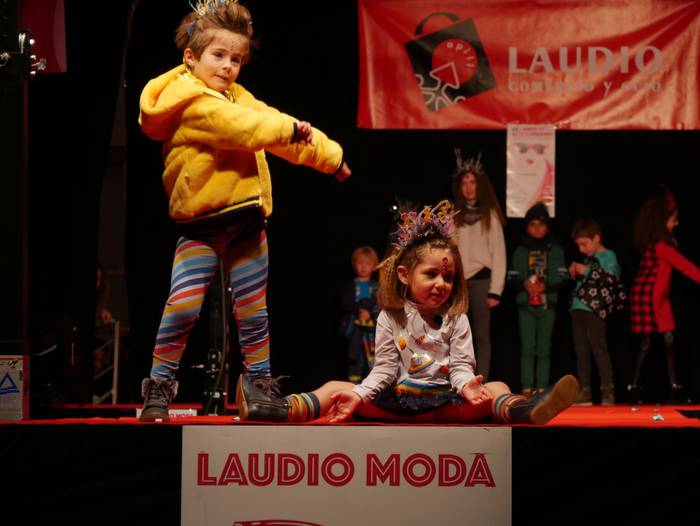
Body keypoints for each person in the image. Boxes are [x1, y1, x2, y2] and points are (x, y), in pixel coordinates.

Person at [137, 0, 351, 421]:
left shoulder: (239, 97)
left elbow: (272, 125)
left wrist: (330, 157)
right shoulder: (190, 101)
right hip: (201, 226)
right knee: (182, 309)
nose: (228, 66)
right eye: (218, 55)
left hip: (246, 222)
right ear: (191, 57)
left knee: (254, 314)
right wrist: (288, 129)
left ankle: (259, 387)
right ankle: (159, 388)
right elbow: (243, 128)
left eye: (235, 59)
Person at [236, 201, 579, 425]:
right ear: (404, 275)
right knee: (337, 388)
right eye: (431, 274)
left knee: (496, 387)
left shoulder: (457, 317)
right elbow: (384, 369)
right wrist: (358, 397)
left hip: (446, 406)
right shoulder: (391, 316)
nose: (442, 283)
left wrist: (469, 389)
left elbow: (461, 367)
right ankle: (275, 410)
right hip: (397, 405)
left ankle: (524, 409)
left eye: (448, 277)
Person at [628, 189, 700, 403]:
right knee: (655, 341)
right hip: (652, 299)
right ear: (662, 221)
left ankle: (657, 386)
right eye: (673, 219)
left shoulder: (653, 245)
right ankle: (645, 386)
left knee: (660, 341)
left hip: (653, 297)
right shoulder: (661, 247)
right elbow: (685, 267)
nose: (676, 224)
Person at [451, 151, 506, 380]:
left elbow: (499, 253)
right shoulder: (453, 216)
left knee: (482, 335)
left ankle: (481, 380)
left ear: (479, 185)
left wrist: (496, 290)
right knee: (458, 334)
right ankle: (460, 379)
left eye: (472, 182)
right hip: (459, 282)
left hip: (483, 281)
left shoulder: (489, 215)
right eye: (464, 183)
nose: (468, 187)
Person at [510, 203, 566, 397]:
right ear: (527, 227)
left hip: (548, 304)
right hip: (525, 305)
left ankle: (542, 388)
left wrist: (545, 286)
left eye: (541, 224)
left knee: (544, 348)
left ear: (547, 227)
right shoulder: (520, 250)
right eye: (532, 225)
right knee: (527, 347)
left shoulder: (555, 250)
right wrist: (525, 283)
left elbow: (563, 277)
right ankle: (527, 388)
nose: (537, 229)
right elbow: (512, 277)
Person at [569, 218, 623, 405]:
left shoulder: (609, 256)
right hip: (578, 308)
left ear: (596, 238)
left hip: (594, 310)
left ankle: (607, 390)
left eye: (584, 244)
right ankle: (584, 391)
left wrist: (586, 271)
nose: (581, 249)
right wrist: (574, 272)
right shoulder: (588, 259)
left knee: (599, 349)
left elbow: (613, 279)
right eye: (579, 245)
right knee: (581, 351)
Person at [340, 246, 380, 383]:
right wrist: (360, 311)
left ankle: (370, 384)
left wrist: (369, 313)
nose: (363, 267)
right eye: (360, 263)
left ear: (374, 266)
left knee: (372, 355)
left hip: (371, 328)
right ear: (354, 264)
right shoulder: (350, 285)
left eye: (367, 264)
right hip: (354, 327)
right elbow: (347, 304)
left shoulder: (376, 286)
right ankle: (353, 384)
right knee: (355, 355)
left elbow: (379, 304)